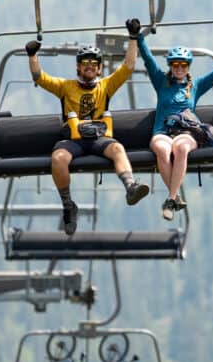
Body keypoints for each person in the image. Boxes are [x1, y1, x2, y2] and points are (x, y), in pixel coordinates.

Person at [26, 19, 150, 236]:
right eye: (85, 63)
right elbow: (39, 77)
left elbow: (128, 67)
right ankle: (68, 205)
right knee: (58, 159)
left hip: (98, 138)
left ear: (100, 67)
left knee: (118, 149)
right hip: (73, 139)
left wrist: (133, 38)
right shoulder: (66, 87)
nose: (90, 66)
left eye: (94, 63)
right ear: (78, 67)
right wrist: (32, 55)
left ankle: (130, 187)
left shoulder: (106, 86)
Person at [136, 29, 213, 220]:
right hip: (162, 131)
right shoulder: (161, 82)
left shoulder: (196, 86)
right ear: (170, 65)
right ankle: (173, 198)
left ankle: (170, 199)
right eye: (175, 65)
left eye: (183, 65)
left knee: (181, 148)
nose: (179, 68)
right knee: (162, 149)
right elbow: (148, 59)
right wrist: (138, 37)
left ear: (188, 67)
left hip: (186, 131)